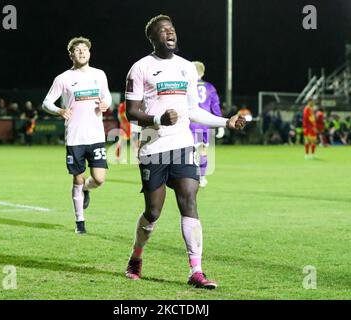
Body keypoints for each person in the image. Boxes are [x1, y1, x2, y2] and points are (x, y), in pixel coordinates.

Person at [124, 14, 246, 289]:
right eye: (163, 30)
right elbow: (131, 112)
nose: (170, 33)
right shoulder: (140, 68)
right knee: (153, 212)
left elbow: (193, 110)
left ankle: (196, 271)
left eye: (172, 29)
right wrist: (157, 120)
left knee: (189, 200)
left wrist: (225, 121)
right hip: (153, 146)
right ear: (152, 38)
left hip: (181, 145)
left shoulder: (187, 68)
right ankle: (136, 256)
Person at [42, 36, 112, 234]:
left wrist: (107, 103)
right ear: (71, 55)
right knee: (77, 179)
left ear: (89, 53)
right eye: (77, 50)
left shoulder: (99, 75)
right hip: (75, 137)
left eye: (85, 49)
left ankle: (88, 190)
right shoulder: (63, 78)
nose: (82, 52)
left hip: (96, 136)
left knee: (98, 179)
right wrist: (59, 111)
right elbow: (46, 102)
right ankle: (80, 222)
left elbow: (106, 95)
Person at [188, 61, 224, 187]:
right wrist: (220, 124)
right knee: (202, 150)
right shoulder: (210, 87)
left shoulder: (186, 85)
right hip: (204, 123)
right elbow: (215, 106)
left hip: (190, 123)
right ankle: (202, 178)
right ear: (202, 72)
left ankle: (189, 178)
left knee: (188, 151)